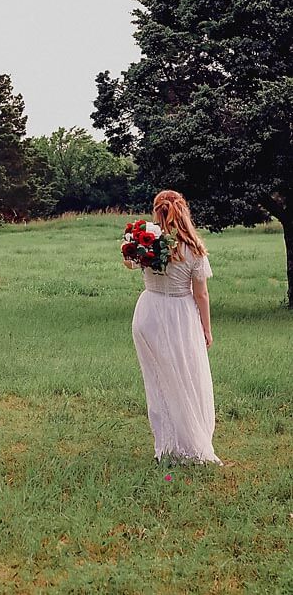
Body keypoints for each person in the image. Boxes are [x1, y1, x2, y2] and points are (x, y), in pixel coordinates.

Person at [124, 190, 223, 466]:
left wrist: (130, 244)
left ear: (157, 211)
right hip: (180, 316)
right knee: (187, 378)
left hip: (148, 314)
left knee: (158, 380)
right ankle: (189, 443)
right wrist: (207, 329)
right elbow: (201, 294)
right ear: (184, 210)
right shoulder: (193, 247)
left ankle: (167, 444)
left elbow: (128, 263)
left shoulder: (147, 242)